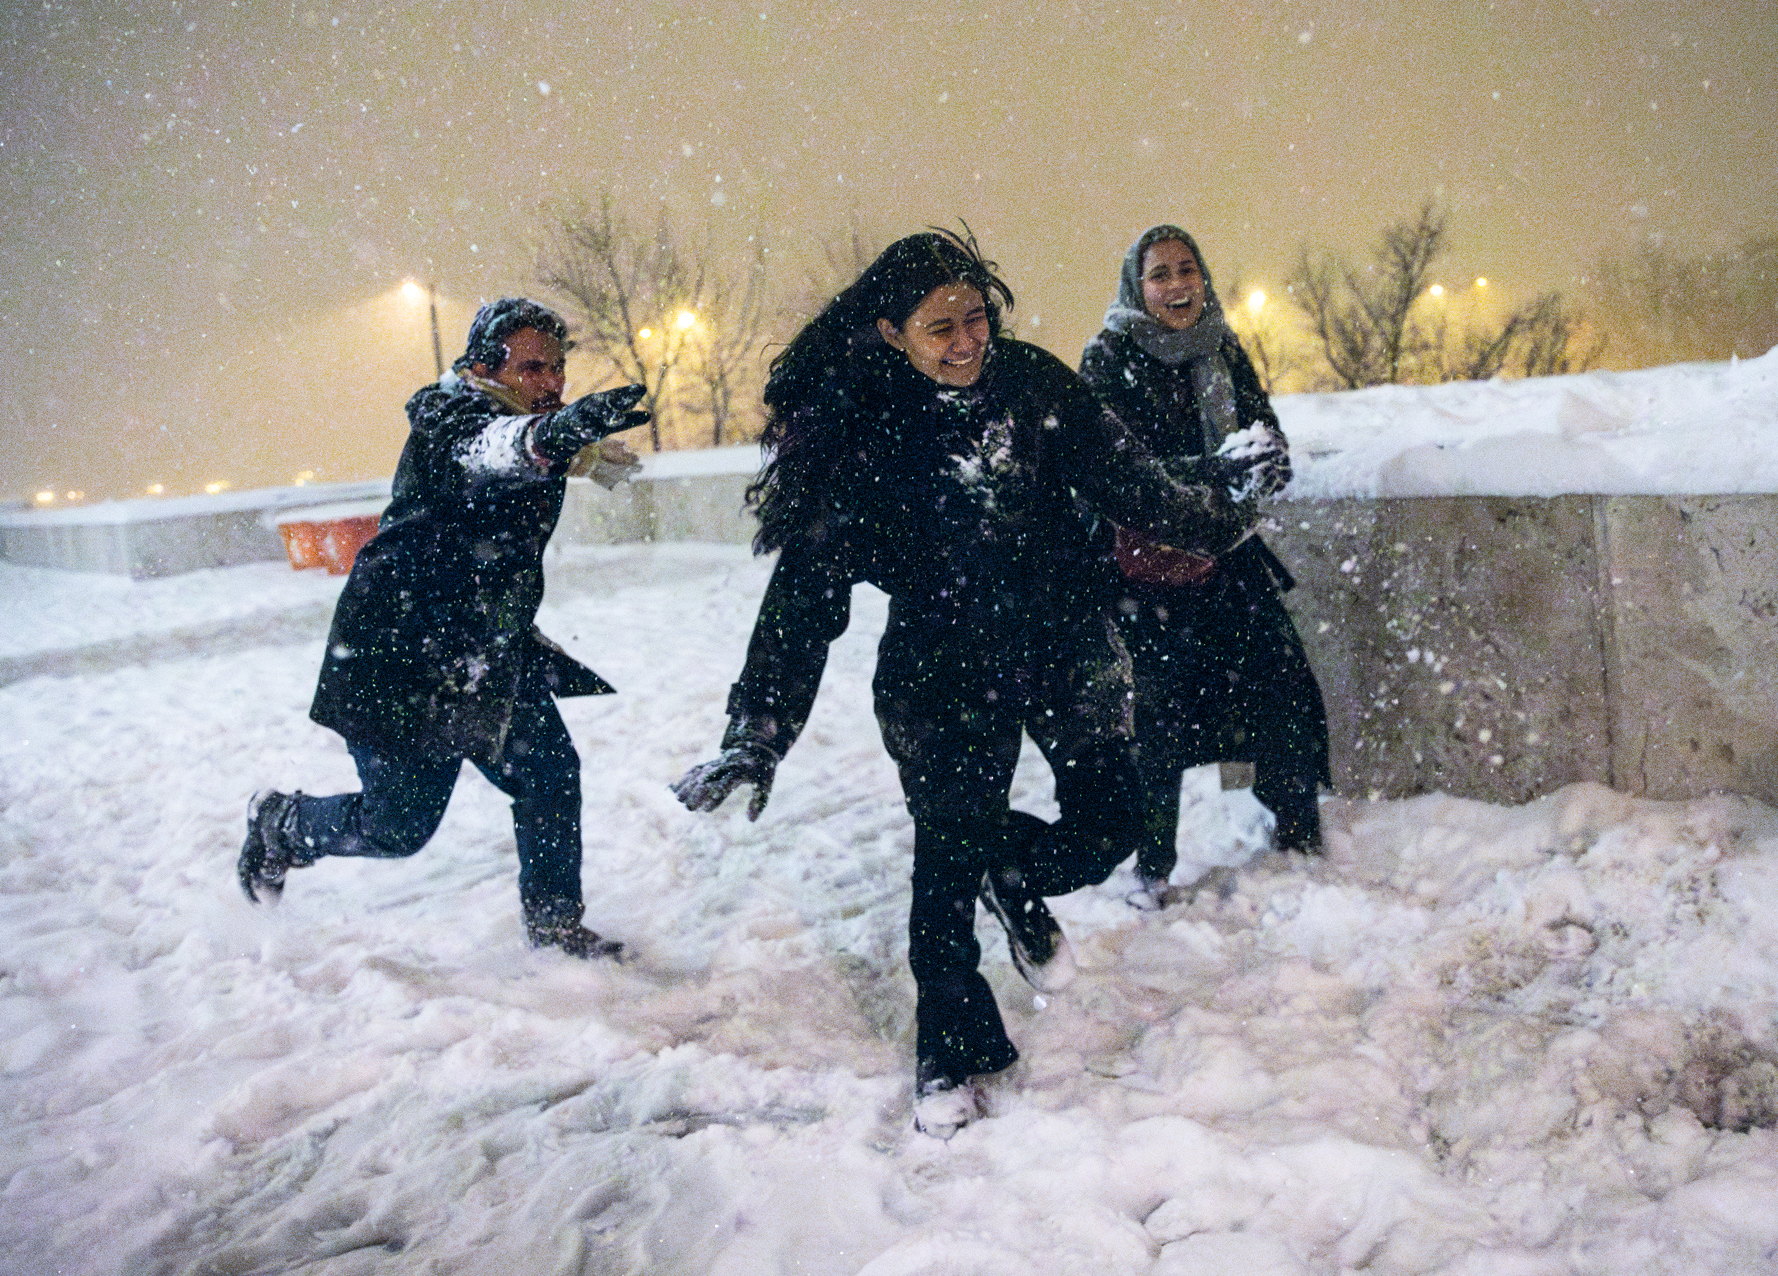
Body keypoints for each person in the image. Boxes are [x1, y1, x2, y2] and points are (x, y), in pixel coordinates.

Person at [671, 230, 1278, 1138]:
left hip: (1062, 639)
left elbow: (1134, 486)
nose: (966, 342)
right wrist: (757, 732)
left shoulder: (1033, 384)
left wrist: (1228, 504)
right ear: (891, 333)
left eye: (975, 319)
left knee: (1111, 826)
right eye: (938, 328)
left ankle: (1014, 864)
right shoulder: (869, 436)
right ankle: (948, 1057)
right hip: (940, 666)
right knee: (945, 869)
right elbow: (804, 597)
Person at [238, 297, 650, 959]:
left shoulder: (525, 426)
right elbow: (493, 451)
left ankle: (554, 930)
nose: (552, 382)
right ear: (485, 366)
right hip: (400, 653)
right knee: (398, 827)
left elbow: (524, 453)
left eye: (559, 368)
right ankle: (279, 824)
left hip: (484, 650)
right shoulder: (452, 419)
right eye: (534, 367)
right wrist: (553, 438)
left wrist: (576, 450)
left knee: (548, 774)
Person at [1077, 225, 1333, 906]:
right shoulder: (1107, 359)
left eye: (1187, 269)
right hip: (1146, 576)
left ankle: (1298, 833)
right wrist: (1214, 470)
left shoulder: (1221, 346)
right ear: (1138, 286)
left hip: (1227, 560)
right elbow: (1113, 474)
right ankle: (1153, 870)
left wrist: (1267, 457)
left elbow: (1260, 426)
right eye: (1160, 274)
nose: (1177, 285)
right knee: (1157, 728)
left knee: (1282, 688)